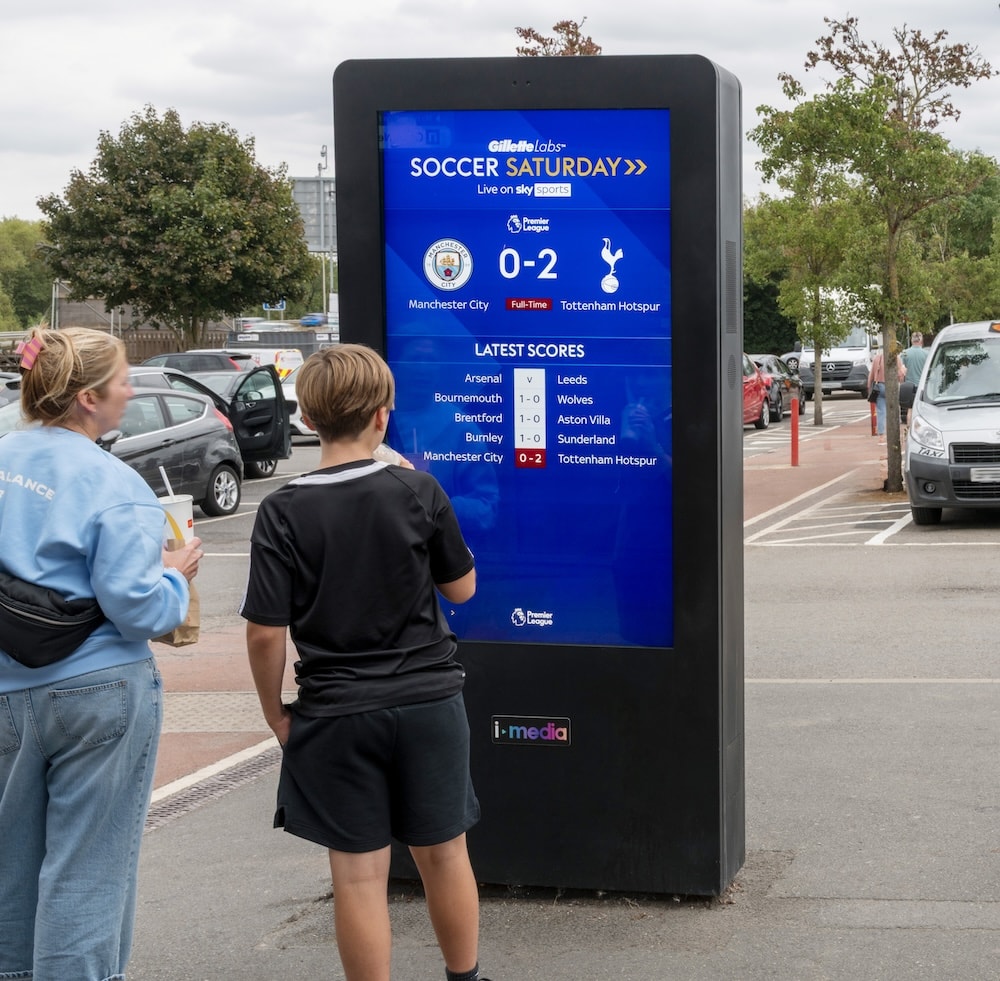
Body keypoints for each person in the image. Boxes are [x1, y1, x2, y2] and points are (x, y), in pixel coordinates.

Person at [241, 344, 490, 981]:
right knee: (445, 854)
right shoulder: (417, 488)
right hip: (429, 700)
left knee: (357, 875)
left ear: (307, 419)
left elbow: (266, 632)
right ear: (382, 416)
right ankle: (464, 977)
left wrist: (276, 715)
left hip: (336, 710)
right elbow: (462, 589)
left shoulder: (281, 510)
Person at [0, 326, 203, 981]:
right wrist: (175, 576)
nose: (130, 390)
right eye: (122, 379)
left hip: (5, 691)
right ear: (88, 398)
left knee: (10, 868)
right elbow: (137, 609)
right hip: (99, 689)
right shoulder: (115, 483)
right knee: (87, 868)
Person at [867, 348, 906, 439]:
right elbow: (900, 374)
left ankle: (881, 435)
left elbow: (871, 375)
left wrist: (869, 386)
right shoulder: (896, 358)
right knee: (894, 409)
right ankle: (894, 433)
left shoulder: (877, 358)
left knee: (881, 411)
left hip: (879, 386)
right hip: (892, 386)